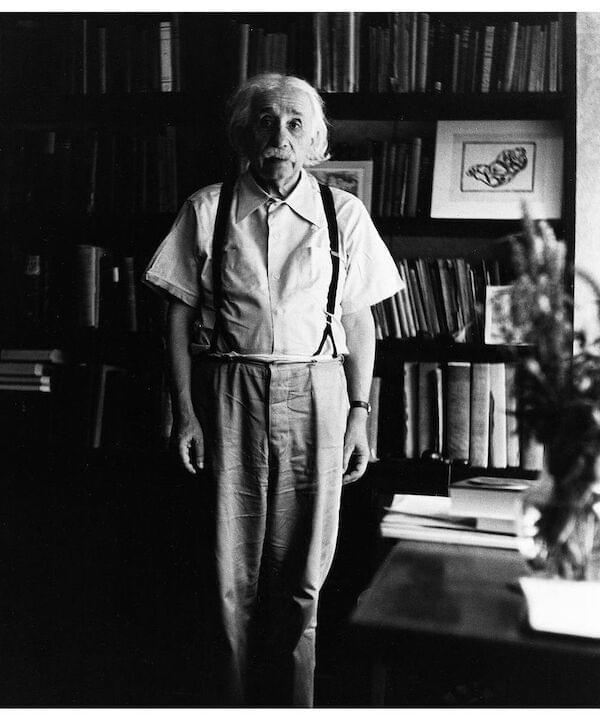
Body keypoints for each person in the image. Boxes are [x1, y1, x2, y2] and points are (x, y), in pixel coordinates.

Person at [143, 73, 404, 707]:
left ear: (314, 140)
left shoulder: (343, 214)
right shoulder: (208, 208)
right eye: (265, 122)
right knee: (227, 571)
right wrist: (185, 413)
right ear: (243, 134)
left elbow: (359, 321)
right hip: (229, 387)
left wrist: (360, 414)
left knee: (304, 572)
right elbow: (177, 315)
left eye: (293, 124)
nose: (278, 137)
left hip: (318, 391)